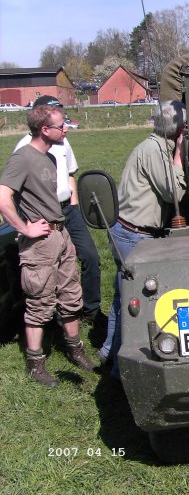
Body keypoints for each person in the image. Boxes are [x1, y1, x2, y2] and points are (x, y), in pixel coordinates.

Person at [0, 104, 97, 387]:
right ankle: (35, 363)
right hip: (39, 242)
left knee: (70, 294)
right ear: (45, 130)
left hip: (60, 233)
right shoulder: (23, 158)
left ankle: (75, 349)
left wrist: (64, 237)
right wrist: (25, 227)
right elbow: (3, 197)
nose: (65, 129)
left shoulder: (50, 158)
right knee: (40, 301)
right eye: (61, 125)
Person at [100, 100, 187, 379]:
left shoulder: (156, 146)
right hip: (133, 233)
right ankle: (118, 367)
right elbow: (173, 193)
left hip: (130, 230)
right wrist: (179, 156)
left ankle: (109, 355)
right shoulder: (155, 150)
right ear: (179, 129)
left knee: (121, 297)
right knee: (132, 299)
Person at [15, 96, 104, 324]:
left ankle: (91, 310)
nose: (64, 127)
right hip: (42, 215)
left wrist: (73, 204)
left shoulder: (63, 142)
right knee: (50, 267)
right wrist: (25, 224)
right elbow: (12, 193)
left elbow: (70, 173)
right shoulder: (24, 150)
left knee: (90, 257)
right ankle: (53, 314)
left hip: (69, 211)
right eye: (57, 119)